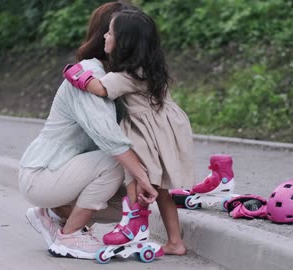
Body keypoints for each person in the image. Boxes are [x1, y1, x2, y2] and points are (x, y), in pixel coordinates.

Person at [18, 2, 158, 260]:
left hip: (66, 170)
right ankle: (70, 234)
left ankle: (53, 216)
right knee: (117, 164)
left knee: (128, 202)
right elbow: (109, 139)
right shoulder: (88, 74)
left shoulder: (117, 78)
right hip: (43, 173)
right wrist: (142, 175)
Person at [64, 9, 195, 255]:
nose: (104, 36)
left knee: (136, 177)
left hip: (146, 133)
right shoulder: (149, 69)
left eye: (110, 33)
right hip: (166, 128)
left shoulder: (127, 75)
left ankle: (133, 228)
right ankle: (175, 242)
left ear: (123, 43)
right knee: (162, 190)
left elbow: (100, 88)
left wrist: (75, 74)